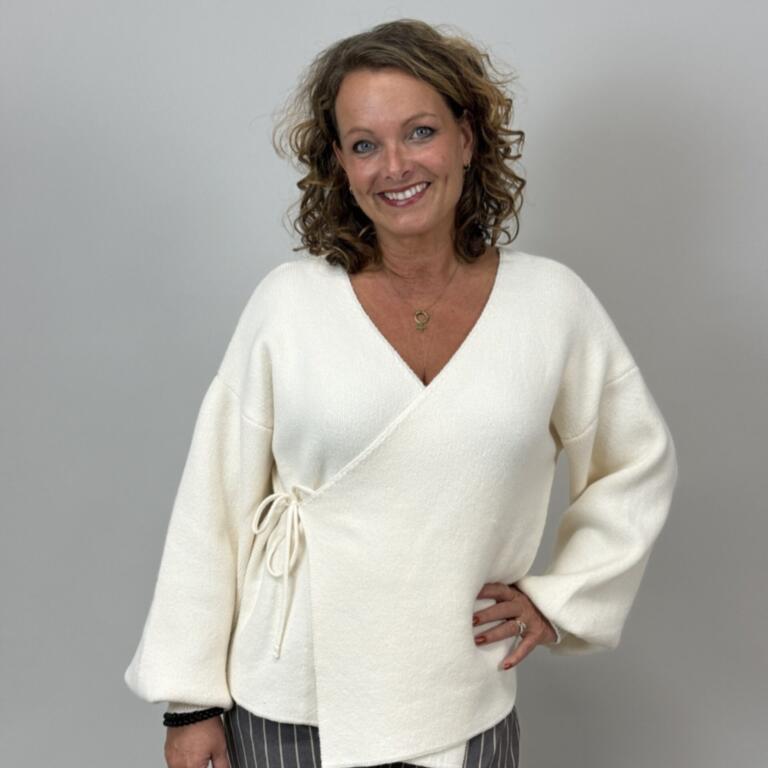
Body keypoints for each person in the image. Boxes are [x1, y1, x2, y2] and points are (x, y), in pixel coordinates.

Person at [124, 18, 679, 768]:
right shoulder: (289, 304)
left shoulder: (552, 305)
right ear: (340, 164)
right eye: (364, 144)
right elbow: (211, 507)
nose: (394, 166)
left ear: (467, 138)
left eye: (420, 132)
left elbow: (635, 461)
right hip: (290, 706)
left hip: (461, 702)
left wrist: (562, 601)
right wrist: (189, 704)